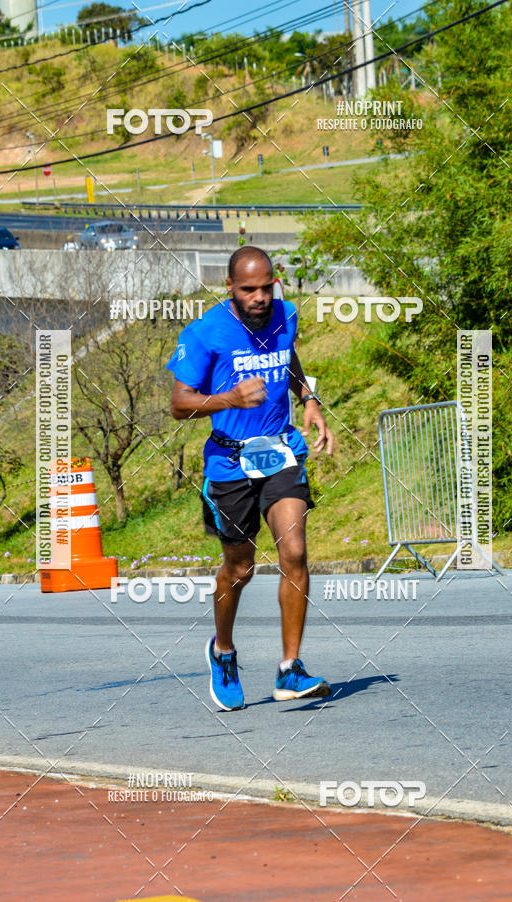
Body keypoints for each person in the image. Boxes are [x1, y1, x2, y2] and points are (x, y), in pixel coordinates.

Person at [167, 246, 334, 711]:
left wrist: (310, 401)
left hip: (280, 453)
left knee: (295, 551)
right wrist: (229, 399)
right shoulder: (205, 333)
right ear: (230, 288)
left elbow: (289, 359)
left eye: (267, 287)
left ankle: (290, 668)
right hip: (229, 463)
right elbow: (180, 404)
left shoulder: (286, 315)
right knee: (240, 569)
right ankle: (222, 652)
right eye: (249, 290)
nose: (260, 298)